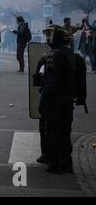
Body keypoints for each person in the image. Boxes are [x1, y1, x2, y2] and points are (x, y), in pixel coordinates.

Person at [34, 25, 85, 174]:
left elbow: (50, 82)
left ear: (57, 38)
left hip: (53, 101)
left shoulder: (52, 56)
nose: (48, 38)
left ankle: (54, 163)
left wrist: (43, 103)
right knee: (65, 131)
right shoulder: (74, 56)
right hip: (67, 100)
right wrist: (81, 97)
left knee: (51, 132)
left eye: (51, 35)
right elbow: (81, 81)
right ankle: (67, 162)